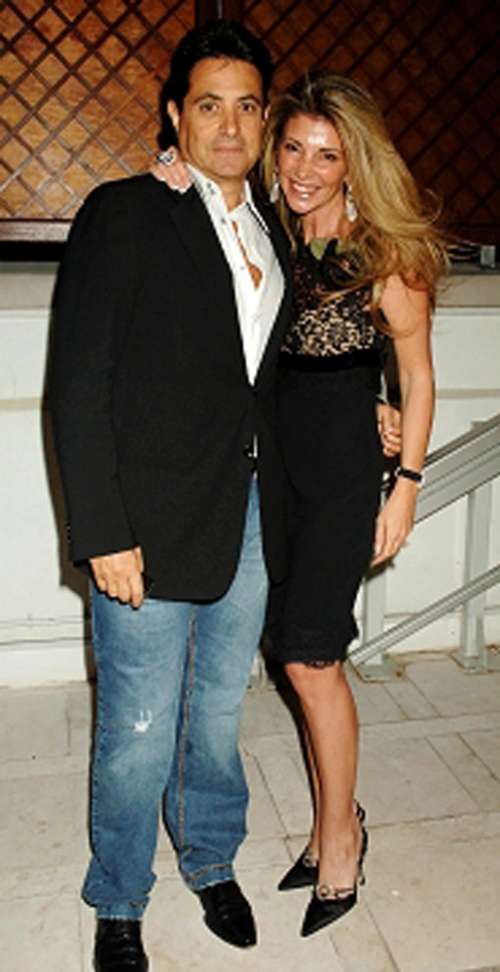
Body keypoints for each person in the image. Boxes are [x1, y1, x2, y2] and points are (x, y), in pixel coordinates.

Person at [154, 68, 447, 938]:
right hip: (272, 477)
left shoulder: (382, 257)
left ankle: (343, 839)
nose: (306, 169)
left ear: (354, 164)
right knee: (291, 652)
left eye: (327, 155)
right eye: (294, 149)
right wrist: (177, 173)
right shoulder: (269, 237)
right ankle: (328, 830)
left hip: (342, 482)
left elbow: (419, 377)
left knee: (313, 659)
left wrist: (407, 484)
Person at [49, 20, 295, 970]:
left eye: (246, 107)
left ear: (265, 120)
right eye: (208, 106)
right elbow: (80, 385)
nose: (229, 126)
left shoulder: (277, 229)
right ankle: (119, 897)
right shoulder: (126, 212)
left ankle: (210, 857)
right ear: (174, 115)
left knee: (219, 711)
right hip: (145, 521)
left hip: (252, 513)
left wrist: (378, 414)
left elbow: (276, 374)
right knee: (139, 728)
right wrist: (102, 531)